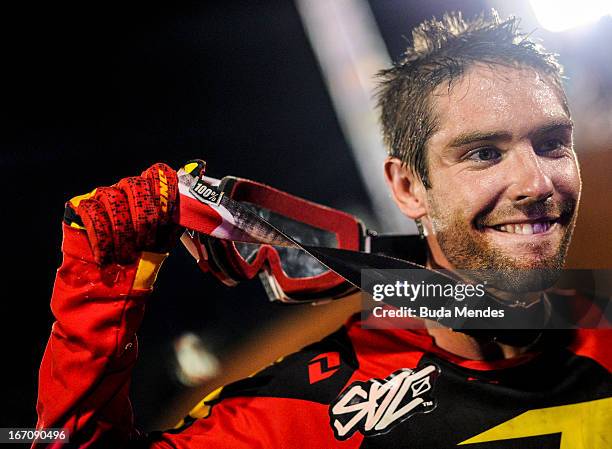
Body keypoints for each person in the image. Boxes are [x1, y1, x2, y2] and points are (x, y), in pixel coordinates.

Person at [34, 11, 611, 449]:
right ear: (409, 188)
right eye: (484, 153)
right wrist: (99, 285)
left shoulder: (601, 319)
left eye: (552, 143)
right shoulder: (304, 409)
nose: (536, 182)